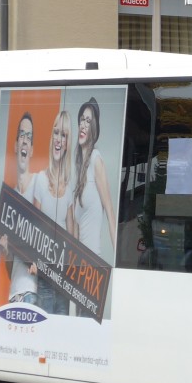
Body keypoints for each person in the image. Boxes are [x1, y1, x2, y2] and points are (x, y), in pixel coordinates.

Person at [32, 109, 73, 314]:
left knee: (62, 328)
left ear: (67, 142)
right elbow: (34, 226)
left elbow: (72, 232)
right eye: (56, 133)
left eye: (63, 135)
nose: (59, 139)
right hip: (46, 269)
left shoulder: (70, 183)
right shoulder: (40, 179)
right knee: (44, 325)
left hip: (64, 273)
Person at [69, 97, 116, 262]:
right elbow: (75, 232)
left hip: (92, 266)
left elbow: (110, 211)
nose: (83, 124)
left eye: (88, 121)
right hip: (79, 267)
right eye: (82, 119)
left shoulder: (96, 159)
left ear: (93, 128)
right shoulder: (79, 171)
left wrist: (119, 262)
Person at [0, 112, 39, 306]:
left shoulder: (40, 187)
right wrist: (6, 251)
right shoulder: (10, 201)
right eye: (22, 135)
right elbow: (10, 269)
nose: (25, 141)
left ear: (31, 150)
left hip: (33, 294)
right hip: (14, 294)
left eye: (29, 137)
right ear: (15, 146)